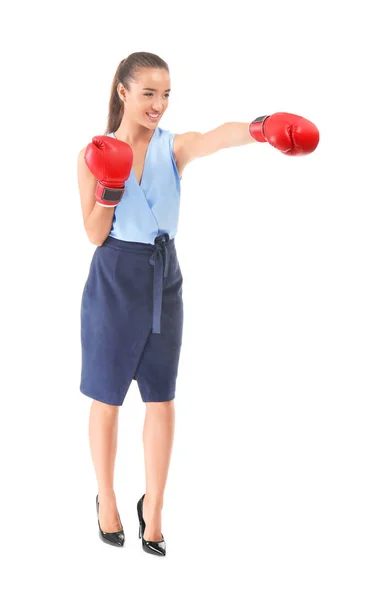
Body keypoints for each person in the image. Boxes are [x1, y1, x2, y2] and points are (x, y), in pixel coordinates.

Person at [77, 51, 320, 557]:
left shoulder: (174, 148)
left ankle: (156, 509)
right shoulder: (94, 153)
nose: (159, 105)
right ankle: (105, 499)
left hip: (164, 279)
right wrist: (110, 186)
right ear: (122, 92)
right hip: (115, 277)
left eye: (166, 94)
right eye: (148, 93)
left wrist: (263, 127)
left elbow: (218, 136)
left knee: (161, 397)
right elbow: (95, 234)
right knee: (107, 397)